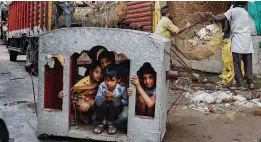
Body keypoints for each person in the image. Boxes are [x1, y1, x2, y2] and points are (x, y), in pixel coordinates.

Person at [205, 1, 255, 90]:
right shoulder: (245, 12)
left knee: (237, 63)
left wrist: (210, 14)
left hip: (238, 40)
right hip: (247, 41)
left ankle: (239, 84)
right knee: (248, 64)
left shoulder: (233, 11)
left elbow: (217, 18)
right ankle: (250, 83)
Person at [58, 61, 102, 125]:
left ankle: (93, 117)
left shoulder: (102, 80)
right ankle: (72, 115)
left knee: (99, 103)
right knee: (84, 106)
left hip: (91, 100)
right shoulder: (84, 81)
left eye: (101, 73)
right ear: (91, 72)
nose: (99, 75)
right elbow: (72, 89)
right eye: (96, 72)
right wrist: (62, 94)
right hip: (79, 100)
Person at [93, 64, 132, 135]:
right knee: (98, 102)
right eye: (106, 80)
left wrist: (113, 98)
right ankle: (103, 123)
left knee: (117, 102)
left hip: (115, 111)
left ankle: (111, 123)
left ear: (118, 80)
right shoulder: (102, 86)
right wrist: (104, 99)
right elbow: (97, 98)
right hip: (104, 110)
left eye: (112, 80)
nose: (109, 83)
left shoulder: (121, 88)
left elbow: (126, 101)